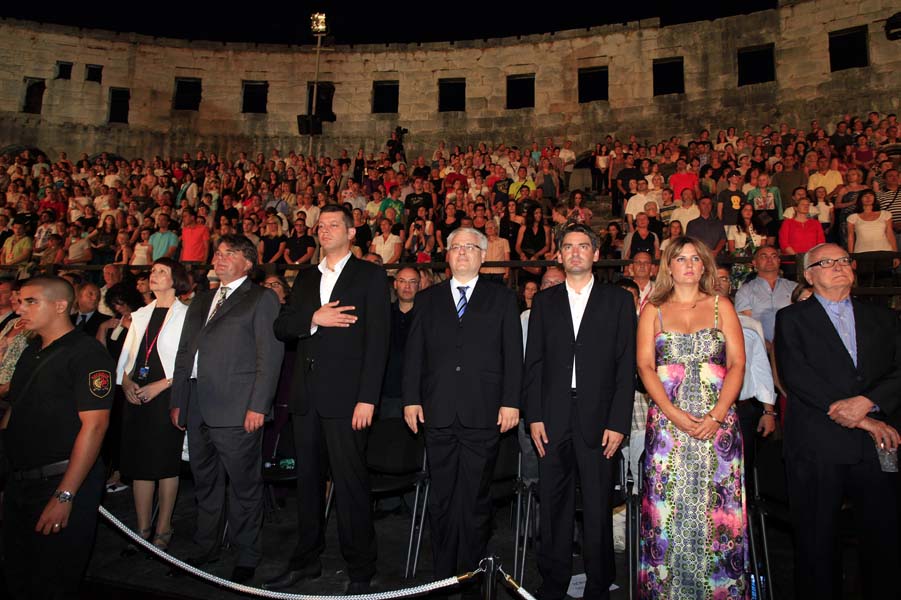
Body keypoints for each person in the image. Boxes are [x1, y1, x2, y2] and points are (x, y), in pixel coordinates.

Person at [268, 205, 390, 594]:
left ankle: (360, 567)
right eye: (320, 225)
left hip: (348, 400)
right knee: (307, 485)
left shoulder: (370, 275)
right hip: (306, 400)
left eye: (334, 225)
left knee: (351, 485)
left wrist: (367, 398)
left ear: (352, 233)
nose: (324, 230)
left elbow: (379, 343)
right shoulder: (304, 278)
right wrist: (314, 319)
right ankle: (306, 560)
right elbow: (282, 326)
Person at [775, 243, 901, 600]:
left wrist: (869, 402)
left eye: (844, 260)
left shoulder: (883, 317)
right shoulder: (792, 319)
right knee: (817, 545)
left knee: (883, 542)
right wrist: (866, 420)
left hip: (877, 448)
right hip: (818, 445)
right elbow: (798, 378)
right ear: (809, 275)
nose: (839, 266)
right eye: (827, 262)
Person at [403, 227, 522, 587]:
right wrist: (410, 398)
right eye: (456, 247)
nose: (463, 252)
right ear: (448, 255)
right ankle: (441, 578)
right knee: (441, 500)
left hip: (483, 412)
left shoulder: (502, 298)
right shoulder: (428, 299)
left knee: (474, 500)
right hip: (437, 412)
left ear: (483, 256)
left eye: (470, 247)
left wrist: (511, 402)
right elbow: (414, 356)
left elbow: (513, 355)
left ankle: (471, 577)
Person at [524, 223, 636, 600]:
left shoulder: (618, 301)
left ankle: (599, 584)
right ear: (558, 254)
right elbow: (534, 364)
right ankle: (552, 584)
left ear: (596, 253)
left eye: (583, 246)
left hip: (600, 420)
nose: (575, 252)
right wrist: (534, 416)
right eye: (568, 247)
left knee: (597, 507)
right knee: (553, 508)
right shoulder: (544, 302)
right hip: (552, 419)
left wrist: (618, 422)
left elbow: (625, 366)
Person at [636, 236, 747, 598]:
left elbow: (737, 364)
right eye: (680, 258)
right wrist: (672, 414)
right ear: (668, 265)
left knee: (719, 510)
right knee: (666, 506)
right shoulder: (653, 308)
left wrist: (716, 416)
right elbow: (644, 366)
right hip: (668, 427)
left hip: (719, 428)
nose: (688, 264)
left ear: (704, 266)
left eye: (695, 259)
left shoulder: (721, 306)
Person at [169, 234, 283, 584]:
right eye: (217, 254)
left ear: (248, 263)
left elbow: (270, 356)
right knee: (205, 482)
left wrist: (258, 406)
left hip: (238, 409)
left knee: (244, 486)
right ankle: (206, 546)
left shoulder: (261, 298)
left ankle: (247, 552)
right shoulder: (203, 300)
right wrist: (179, 400)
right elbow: (186, 352)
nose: (218, 259)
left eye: (228, 254)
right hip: (198, 404)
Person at [1, 276, 114, 599]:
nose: (20, 307)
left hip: (61, 479)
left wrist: (65, 495)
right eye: (19, 300)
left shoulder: (86, 353)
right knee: (18, 573)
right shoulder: (32, 350)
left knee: (53, 580)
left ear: (61, 306)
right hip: (21, 481)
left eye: (30, 301)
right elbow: (16, 410)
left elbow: (94, 427)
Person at [116, 258, 190, 553]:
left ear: (176, 279)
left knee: (164, 462)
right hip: (137, 394)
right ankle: (142, 527)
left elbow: (189, 361)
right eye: (153, 271)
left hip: (167, 393)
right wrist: (125, 382)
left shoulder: (187, 314)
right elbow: (127, 356)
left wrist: (161, 385)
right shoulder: (140, 314)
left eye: (162, 271)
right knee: (139, 462)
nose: (154, 275)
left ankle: (164, 527)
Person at [734, 245, 795, 345]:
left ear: (779, 261)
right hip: (759, 347)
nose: (769, 260)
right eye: (764, 256)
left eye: (774, 256)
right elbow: (746, 324)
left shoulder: (793, 287)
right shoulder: (745, 291)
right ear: (754, 263)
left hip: (792, 345)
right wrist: (765, 344)